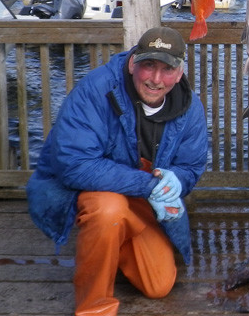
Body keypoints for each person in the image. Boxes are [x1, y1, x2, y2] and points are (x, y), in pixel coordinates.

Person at [26, 26, 208, 316]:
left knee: (158, 285)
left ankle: (114, 240)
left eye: (167, 69)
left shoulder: (190, 107)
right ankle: (94, 307)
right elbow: (74, 164)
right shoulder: (97, 90)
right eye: (148, 65)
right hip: (97, 191)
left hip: (142, 198)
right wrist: (149, 185)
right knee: (108, 209)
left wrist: (179, 180)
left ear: (180, 72)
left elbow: (191, 165)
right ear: (134, 62)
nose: (156, 79)